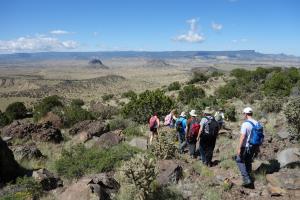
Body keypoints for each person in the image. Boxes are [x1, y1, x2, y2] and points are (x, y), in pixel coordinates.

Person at [236, 107, 262, 189]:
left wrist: (239, 148)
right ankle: (250, 177)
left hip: (246, 146)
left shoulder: (245, 124)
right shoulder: (257, 123)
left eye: (244, 113)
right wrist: (257, 148)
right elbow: (259, 136)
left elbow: (242, 137)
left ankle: (246, 179)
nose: (243, 115)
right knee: (248, 161)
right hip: (254, 146)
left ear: (246, 114)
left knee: (239, 160)